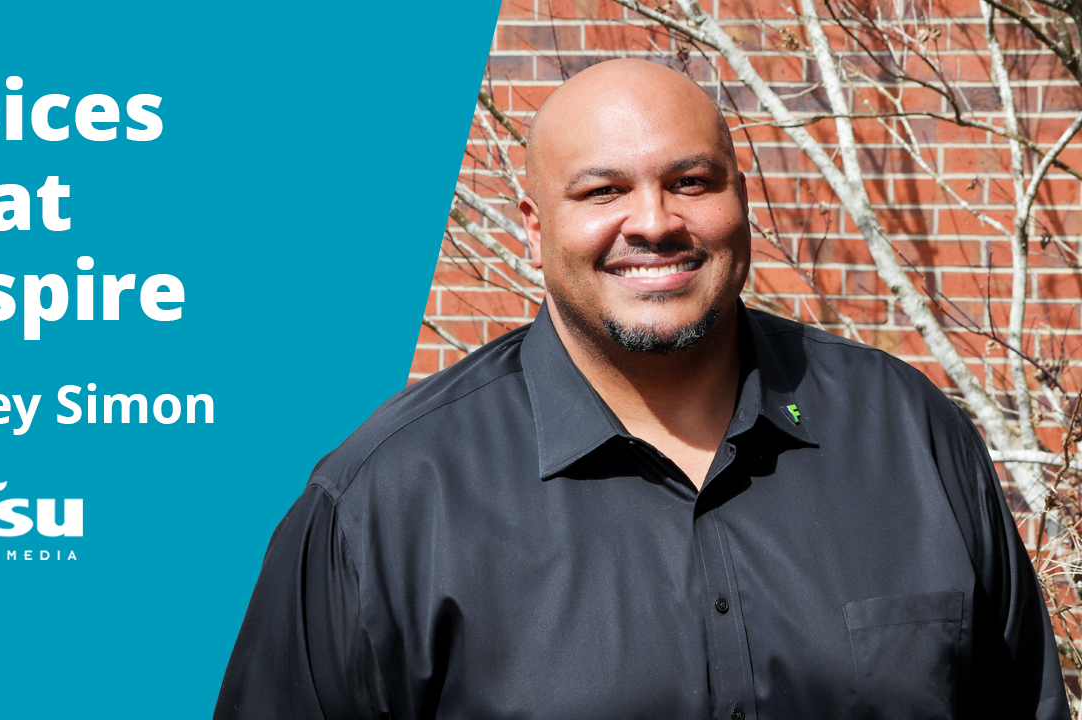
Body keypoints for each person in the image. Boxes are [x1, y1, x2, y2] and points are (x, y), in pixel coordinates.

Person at [214, 59, 1067, 719]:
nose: (655, 221)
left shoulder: (906, 436)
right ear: (532, 225)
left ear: (741, 198)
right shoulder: (386, 502)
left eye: (691, 182)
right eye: (604, 190)